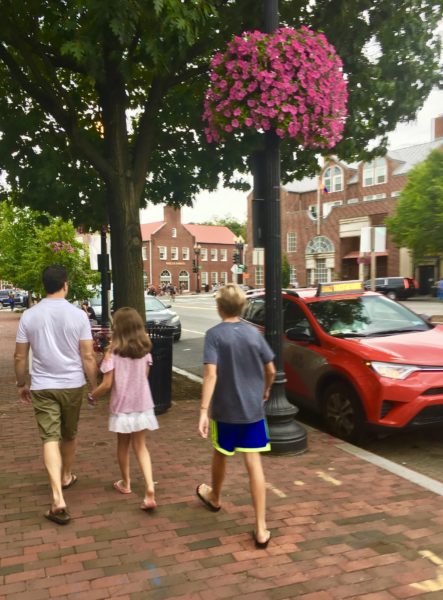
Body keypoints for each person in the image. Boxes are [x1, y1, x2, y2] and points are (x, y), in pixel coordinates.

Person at [14, 264, 98, 525]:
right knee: (69, 434)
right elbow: (88, 355)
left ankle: (57, 496)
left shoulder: (29, 316)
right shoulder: (78, 315)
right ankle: (66, 475)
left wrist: (21, 383)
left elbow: (19, 355)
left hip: (43, 385)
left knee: (49, 437)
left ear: (44, 286)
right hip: (72, 384)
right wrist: (93, 385)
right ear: (65, 284)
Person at [197, 284, 276, 549]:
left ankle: (215, 496)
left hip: (225, 410)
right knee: (253, 463)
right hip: (252, 410)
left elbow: (211, 374)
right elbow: (272, 370)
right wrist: (265, 390)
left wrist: (203, 411)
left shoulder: (214, 335)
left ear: (219, 307)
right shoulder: (254, 334)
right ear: (242, 306)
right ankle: (261, 527)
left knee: (221, 453)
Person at [89, 307, 159, 511]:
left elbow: (107, 384)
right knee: (141, 446)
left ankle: (126, 483)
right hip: (143, 404)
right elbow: (144, 377)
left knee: (123, 445)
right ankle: (149, 489)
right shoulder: (144, 351)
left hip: (122, 406)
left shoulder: (112, 353)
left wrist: (92, 395)